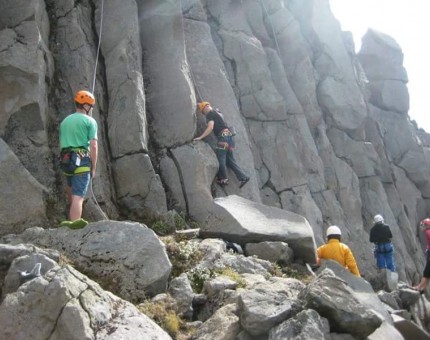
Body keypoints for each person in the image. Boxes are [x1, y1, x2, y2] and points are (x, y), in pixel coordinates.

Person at [59, 90, 98, 228]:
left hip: (65, 159)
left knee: (70, 189)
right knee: (78, 196)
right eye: (90, 106)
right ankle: (74, 223)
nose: (91, 109)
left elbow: (61, 143)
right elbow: (93, 145)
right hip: (81, 158)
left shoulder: (65, 121)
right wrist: (93, 167)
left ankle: (70, 218)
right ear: (86, 105)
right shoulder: (90, 121)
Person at [194, 101, 249, 187]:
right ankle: (243, 177)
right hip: (229, 138)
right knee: (230, 161)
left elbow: (210, 127)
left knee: (221, 158)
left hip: (223, 137)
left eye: (203, 111)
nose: (204, 113)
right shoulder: (218, 113)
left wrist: (200, 137)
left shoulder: (210, 114)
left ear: (205, 109)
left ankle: (223, 179)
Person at [413, 218, 430, 292]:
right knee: (428, 273)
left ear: (426, 225)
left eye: (422, 225)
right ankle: (423, 287)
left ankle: (419, 287)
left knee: (426, 272)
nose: (421, 227)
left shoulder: (428, 232)